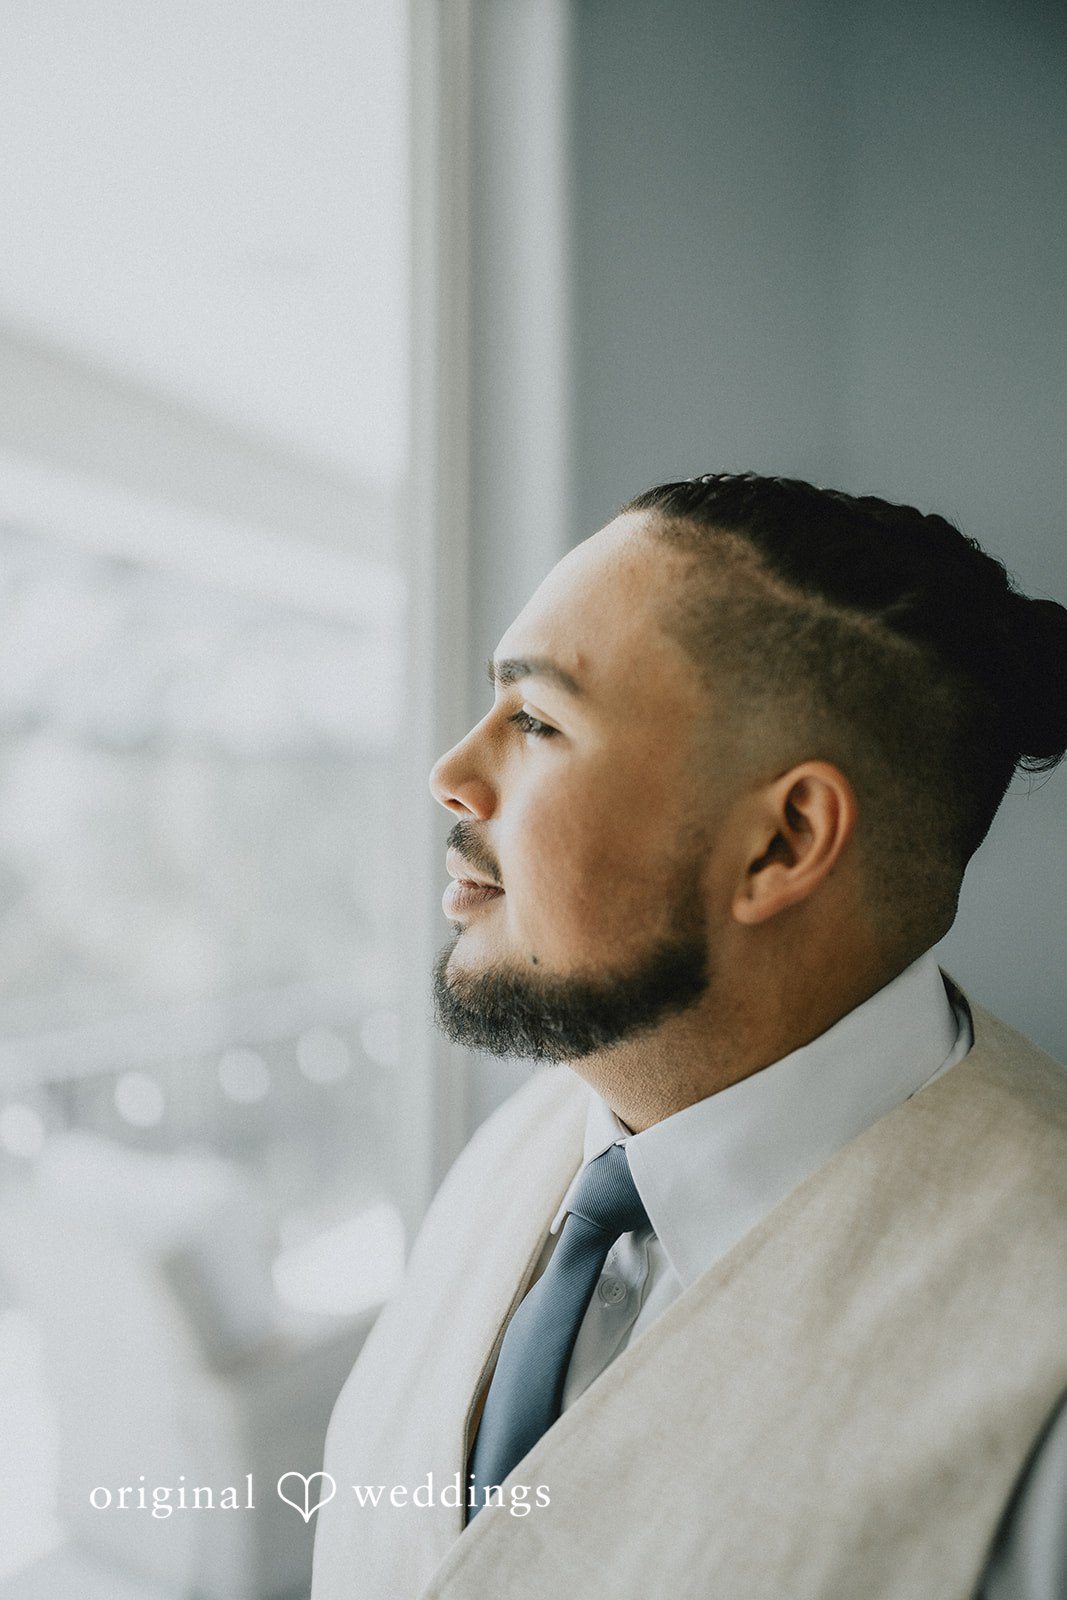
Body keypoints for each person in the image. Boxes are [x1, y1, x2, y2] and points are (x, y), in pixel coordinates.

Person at [311, 474, 1067, 1600]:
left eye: (535, 719)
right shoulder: (536, 1141)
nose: (451, 776)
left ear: (779, 843)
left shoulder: (1041, 1378)